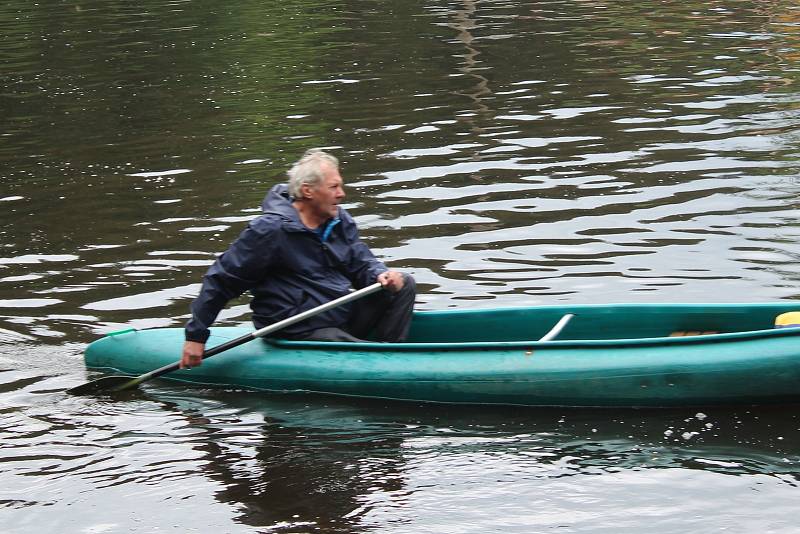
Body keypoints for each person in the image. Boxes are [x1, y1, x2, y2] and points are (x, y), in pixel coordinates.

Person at [180, 149, 416, 369]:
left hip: (337, 311)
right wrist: (196, 335)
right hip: (295, 325)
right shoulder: (269, 230)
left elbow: (360, 261)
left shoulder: (339, 220)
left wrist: (379, 274)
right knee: (331, 335)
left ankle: (387, 355)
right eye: (334, 187)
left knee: (404, 283)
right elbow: (223, 280)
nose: (341, 194)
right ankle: (383, 362)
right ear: (307, 191)